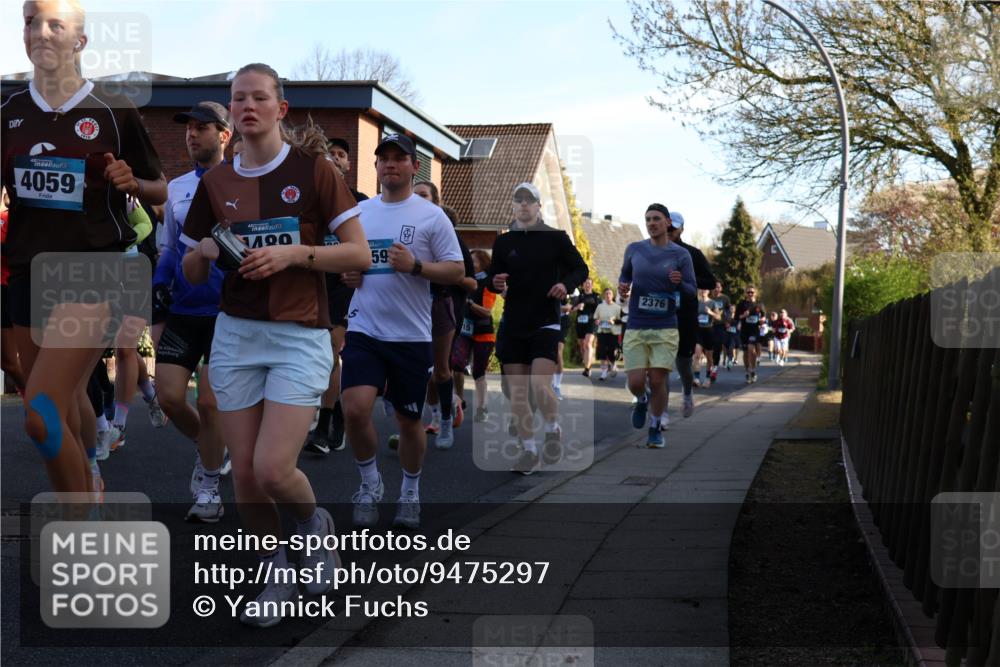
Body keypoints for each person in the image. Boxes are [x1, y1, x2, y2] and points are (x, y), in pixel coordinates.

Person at [180, 63, 370, 626]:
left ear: (280, 108)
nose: (248, 106)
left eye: (259, 97)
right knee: (243, 475)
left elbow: (359, 254)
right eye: (239, 98)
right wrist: (201, 256)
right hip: (236, 335)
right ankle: (276, 569)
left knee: (270, 469)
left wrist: (295, 254)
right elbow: (189, 271)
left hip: (299, 334)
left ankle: (314, 527)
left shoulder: (314, 172)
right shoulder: (215, 183)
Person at [2, 0, 167, 495]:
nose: (41, 32)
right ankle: (89, 487)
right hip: (28, 272)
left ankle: (79, 520)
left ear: (80, 40)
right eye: (31, 21)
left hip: (94, 271)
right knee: (67, 402)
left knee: (40, 413)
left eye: (56, 24)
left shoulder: (114, 109)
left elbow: (160, 188)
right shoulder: (8, 112)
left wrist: (133, 181)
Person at [339, 133, 464, 529]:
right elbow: (350, 261)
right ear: (375, 166)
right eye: (384, 158)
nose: (391, 164)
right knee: (354, 408)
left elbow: (456, 270)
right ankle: (369, 482)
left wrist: (416, 266)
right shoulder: (359, 213)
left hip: (410, 335)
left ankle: (410, 490)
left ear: (414, 166)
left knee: (408, 422)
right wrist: (350, 273)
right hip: (364, 328)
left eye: (399, 158)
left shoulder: (431, 216)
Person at [152, 101, 232, 522]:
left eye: (202, 127)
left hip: (228, 311)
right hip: (183, 308)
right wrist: (157, 293)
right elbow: (168, 248)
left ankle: (210, 487)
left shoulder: (242, 183)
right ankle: (211, 449)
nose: (192, 134)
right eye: (188, 128)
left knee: (211, 403)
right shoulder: (177, 188)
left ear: (224, 134)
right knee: (168, 397)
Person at [490, 182, 588, 474]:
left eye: (529, 200)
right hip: (514, 322)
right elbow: (493, 277)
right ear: (513, 205)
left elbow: (580, 269)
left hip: (545, 320)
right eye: (518, 199)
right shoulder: (504, 242)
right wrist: (495, 282)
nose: (523, 204)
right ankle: (530, 451)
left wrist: (565, 285)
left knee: (539, 384)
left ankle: (553, 428)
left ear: (538, 206)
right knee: (518, 393)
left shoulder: (555, 238)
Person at [303, 136, 369, 455]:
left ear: (348, 164)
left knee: (331, 351)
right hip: (314, 283)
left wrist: (361, 272)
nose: (336, 158)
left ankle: (324, 426)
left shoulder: (361, 202)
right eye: (331, 153)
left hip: (344, 285)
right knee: (315, 356)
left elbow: (370, 247)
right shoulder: (311, 198)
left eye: (341, 154)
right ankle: (337, 412)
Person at [618, 204, 696, 448]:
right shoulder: (634, 250)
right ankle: (642, 399)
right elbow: (625, 276)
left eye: (656, 219)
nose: (651, 223)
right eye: (648, 219)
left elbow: (692, 290)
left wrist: (680, 282)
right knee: (635, 382)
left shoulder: (681, 255)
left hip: (665, 327)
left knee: (657, 379)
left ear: (667, 223)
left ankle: (655, 427)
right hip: (637, 325)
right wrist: (623, 287)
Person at [413, 182, 475, 449]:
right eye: (414, 195)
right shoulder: (404, 229)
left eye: (423, 195)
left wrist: (443, 273)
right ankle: (430, 417)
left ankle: (446, 419)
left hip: (443, 304)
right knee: (419, 369)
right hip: (410, 305)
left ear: (436, 201)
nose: (418, 200)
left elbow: (471, 281)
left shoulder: (449, 235)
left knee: (440, 369)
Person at [666, 212, 717, 417]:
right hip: (659, 313)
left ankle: (687, 393)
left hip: (685, 314)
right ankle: (660, 415)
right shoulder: (652, 252)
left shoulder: (692, 254)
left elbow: (710, 282)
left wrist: (687, 278)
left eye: (673, 228)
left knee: (683, 363)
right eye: (667, 227)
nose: (669, 231)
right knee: (660, 366)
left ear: (681, 230)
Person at [451, 249, 497, 423]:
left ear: (483, 264)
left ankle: (482, 408)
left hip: (483, 333)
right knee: (456, 365)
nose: (469, 264)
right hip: (465, 329)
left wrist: (469, 303)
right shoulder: (465, 280)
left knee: (478, 372)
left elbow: (487, 311)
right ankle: (460, 402)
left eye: (473, 261)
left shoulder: (488, 283)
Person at [735, 286, 766, 383]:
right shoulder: (742, 304)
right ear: (745, 293)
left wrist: (762, 320)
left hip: (754, 331)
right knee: (745, 353)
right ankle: (748, 371)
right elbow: (736, 317)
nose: (750, 294)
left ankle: (753, 370)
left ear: (755, 293)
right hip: (744, 331)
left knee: (751, 349)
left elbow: (764, 316)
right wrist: (743, 316)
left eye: (752, 292)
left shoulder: (759, 304)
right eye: (748, 292)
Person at [593, 287, 622, 381]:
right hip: (602, 331)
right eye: (606, 294)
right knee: (602, 351)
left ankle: (613, 363)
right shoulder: (600, 306)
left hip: (613, 333)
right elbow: (595, 318)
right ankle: (603, 373)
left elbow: (622, 320)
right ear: (604, 296)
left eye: (610, 294)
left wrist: (614, 322)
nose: (608, 295)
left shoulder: (617, 307)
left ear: (612, 296)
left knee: (611, 351)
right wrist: (597, 321)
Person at [694, 289, 721, 387]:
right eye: (701, 289)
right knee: (697, 355)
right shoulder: (696, 303)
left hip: (709, 331)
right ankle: (696, 378)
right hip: (698, 331)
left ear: (708, 291)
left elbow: (718, 317)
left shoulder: (713, 303)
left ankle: (707, 377)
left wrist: (710, 312)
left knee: (709, 357)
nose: (703, 291)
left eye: (705, 289)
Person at [572, 278, 599, 376]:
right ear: (583, 285)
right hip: (580, 322)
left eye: (589, 283)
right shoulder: (579, 296)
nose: (587, 285)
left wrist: (598, 318)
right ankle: (588, 365)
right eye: (586, 283)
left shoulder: (595, 296)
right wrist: (577, 307)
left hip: (592, 322)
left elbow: (599, 309)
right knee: (582, 345)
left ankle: (587, 369)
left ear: (592, 285)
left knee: (587, 344)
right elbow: (572, 309)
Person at [708, 281, 731, 379]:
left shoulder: (725, 298)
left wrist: (727, 320)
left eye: (718, 287)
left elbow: (729, 311)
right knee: (711, 347)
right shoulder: (709, 298)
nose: (716, 289)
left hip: (721, 325)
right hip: (710, 325)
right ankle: (712, 367)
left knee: (719, 344)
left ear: (721, 288)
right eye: (714, 287)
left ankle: (716, 367)